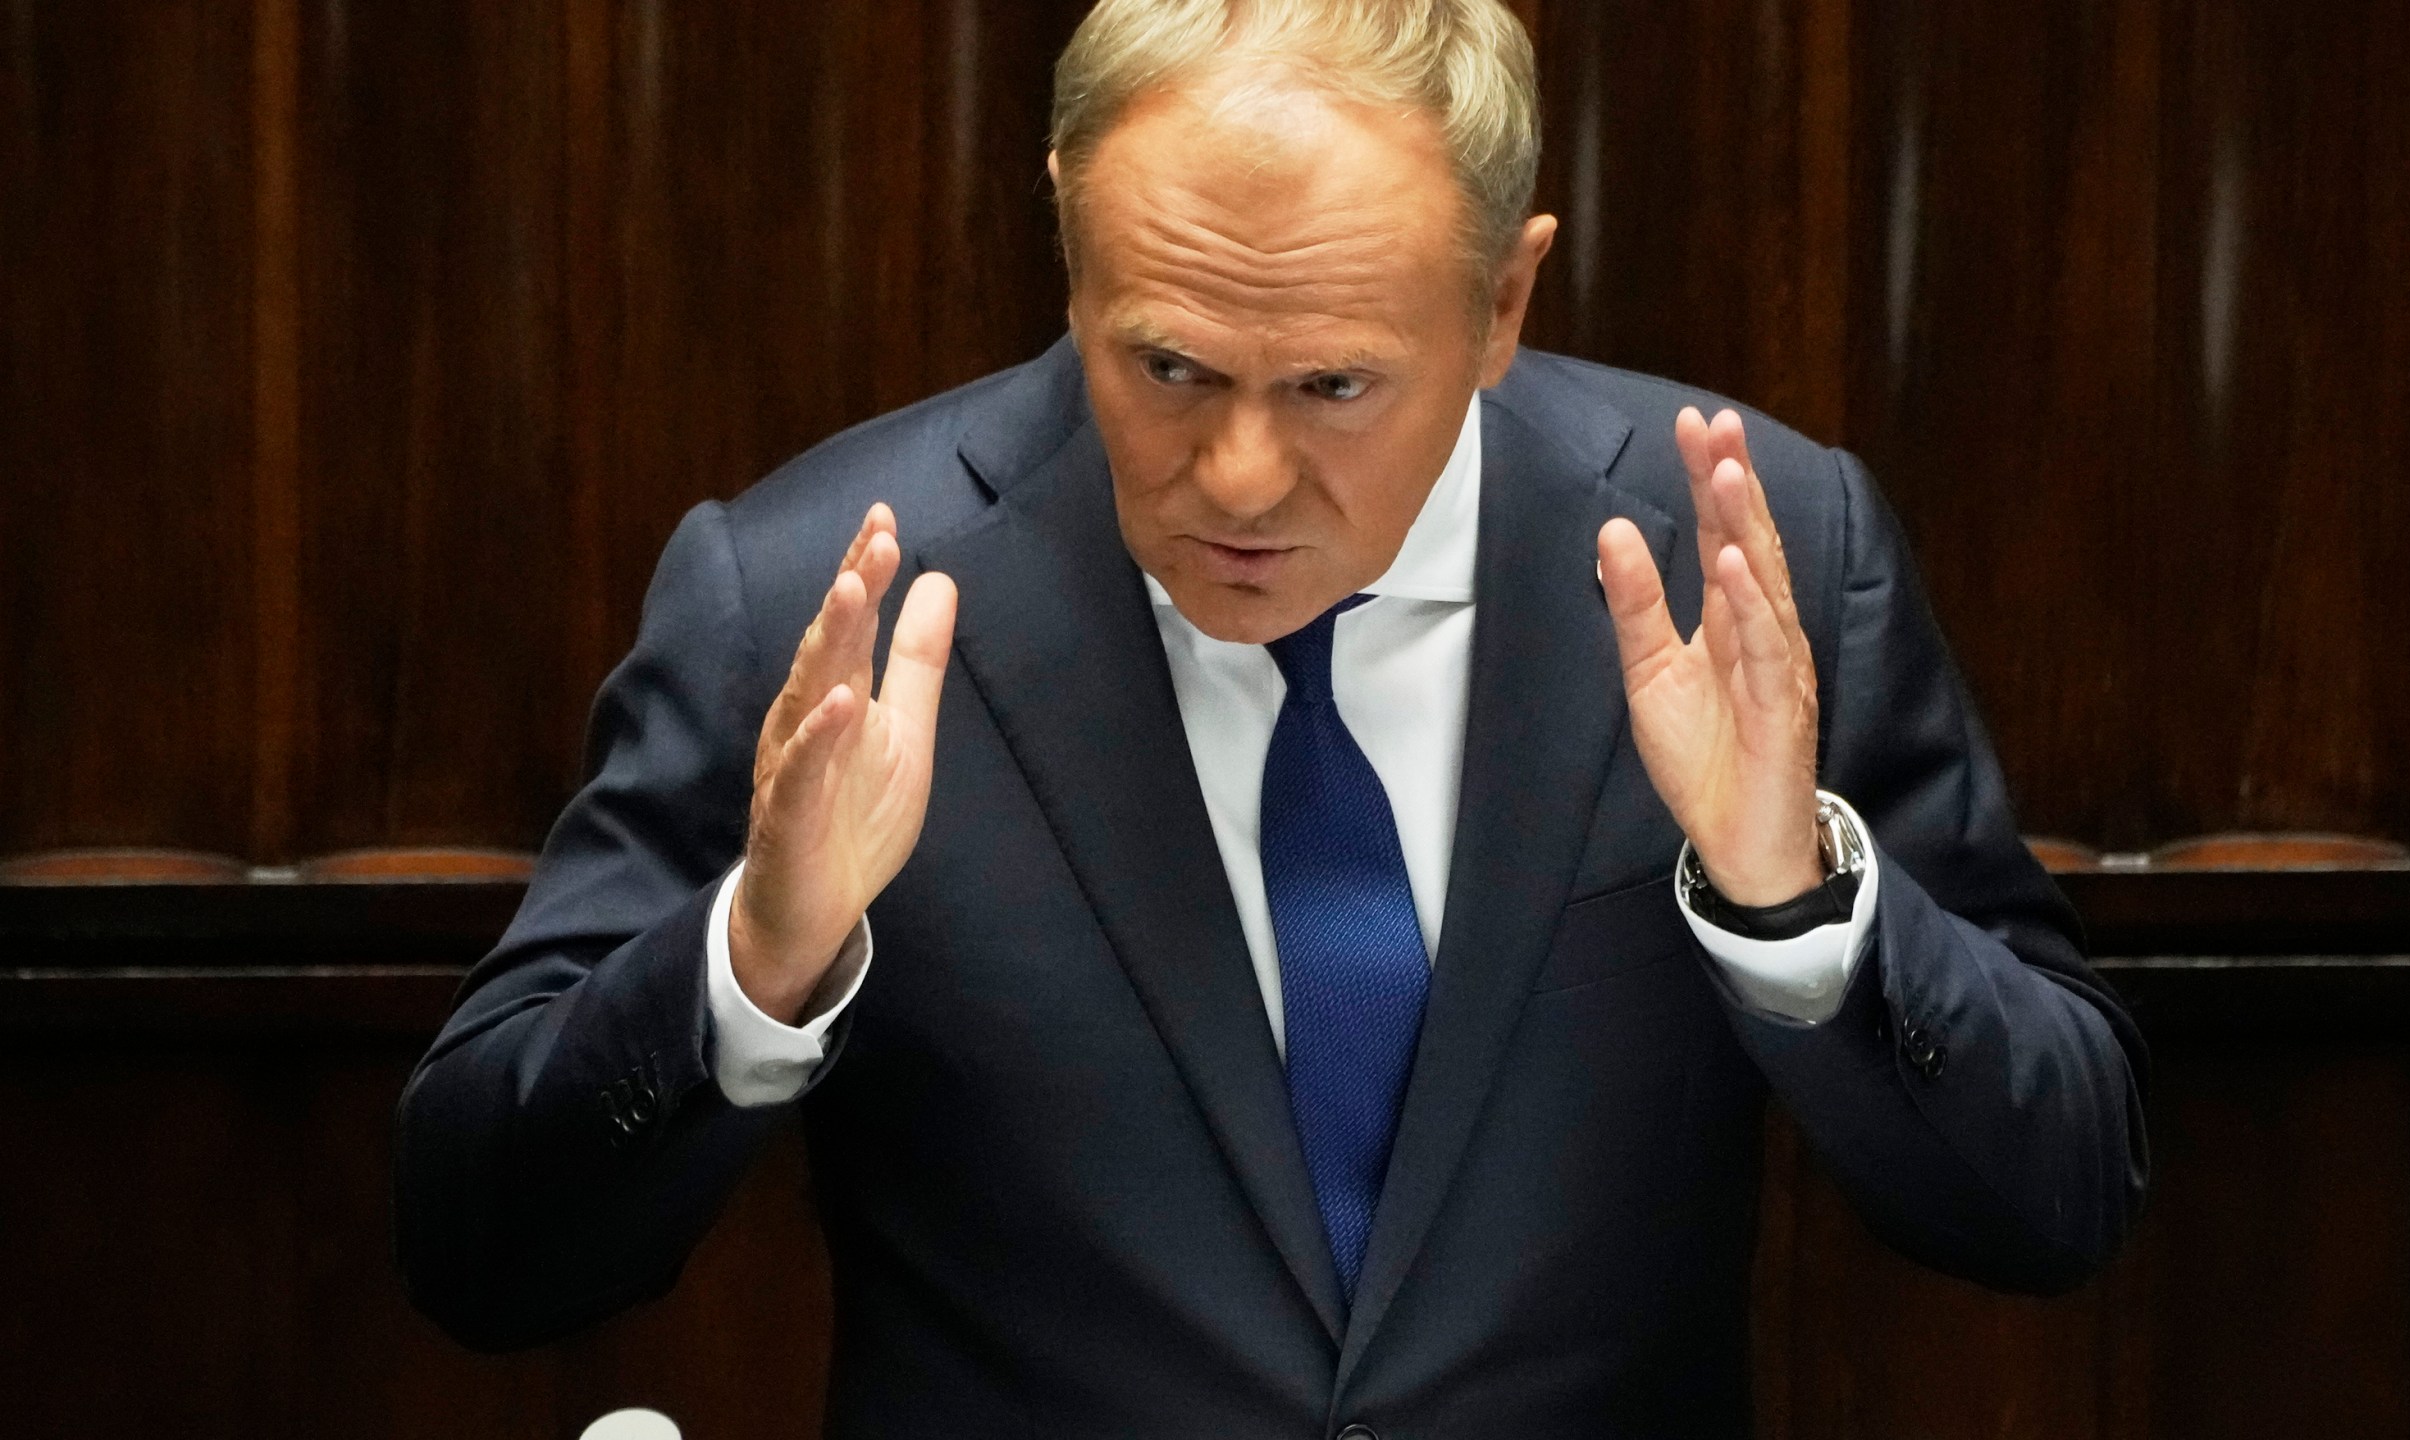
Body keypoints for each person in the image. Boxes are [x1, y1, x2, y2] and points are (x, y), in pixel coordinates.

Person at [396, 1, 2148, 1434]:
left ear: (1506, 303)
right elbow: (485, 1255)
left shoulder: (1756, 556)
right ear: (1071, 241)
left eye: (1332, 386)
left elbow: (2057, 1197)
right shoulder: (809, 600)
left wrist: (1795, 905)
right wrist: (754, 965)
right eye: (1166, 369)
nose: (1239, 476)